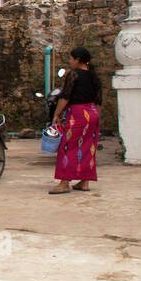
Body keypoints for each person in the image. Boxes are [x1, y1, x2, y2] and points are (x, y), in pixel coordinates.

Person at [50, 47, 102, 194]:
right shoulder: (94, 76)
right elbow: (98, 100)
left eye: (71, 58)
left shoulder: (73, 75)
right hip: (92, 113)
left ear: (78, 60)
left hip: (78, 113)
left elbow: (65, 96)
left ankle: (64, 182)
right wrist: (98, 119)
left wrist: (57, 114)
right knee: (88, 147)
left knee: (68, 147)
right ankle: (84, 181)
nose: (70, 61)